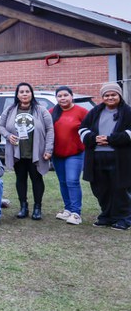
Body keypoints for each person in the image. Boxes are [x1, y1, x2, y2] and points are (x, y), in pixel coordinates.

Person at [78, 82, 131, 230]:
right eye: (106, 95)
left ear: (119, 95)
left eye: (113, 94)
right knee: (101, 189)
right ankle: (106, 216)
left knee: (119, 189)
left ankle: (123, 218)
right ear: (102, 97)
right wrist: (93, 138)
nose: (110, 97)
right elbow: (82, 129)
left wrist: (110, 139)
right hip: (96, 157)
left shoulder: (127, 112)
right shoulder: (95, 111)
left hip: (119, 158)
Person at [0, 82, 54, 220]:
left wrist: (48, 149)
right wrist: (7, 135)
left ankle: (37, 208)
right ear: (17, 95)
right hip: (18, 151)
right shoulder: (10, 110)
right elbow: (0, 126)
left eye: (27, 91)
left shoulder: (41, 110)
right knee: (20, 179)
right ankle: (23, 207)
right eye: (21, 92)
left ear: (31, 94)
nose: (24, 94)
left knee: (36, 178)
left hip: (36, 151)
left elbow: (50, 129)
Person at [50, 86, 88, 225]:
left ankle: (76, 213)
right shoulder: (52, 112)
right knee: (63, 182)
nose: (63, 98)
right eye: (60, 96)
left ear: (71, 96)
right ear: (56, 98)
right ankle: (68, 209)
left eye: (66, 95)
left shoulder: (81, 112)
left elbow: (90, 128)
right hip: (57, 154)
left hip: (75, 153)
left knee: (72, 181)